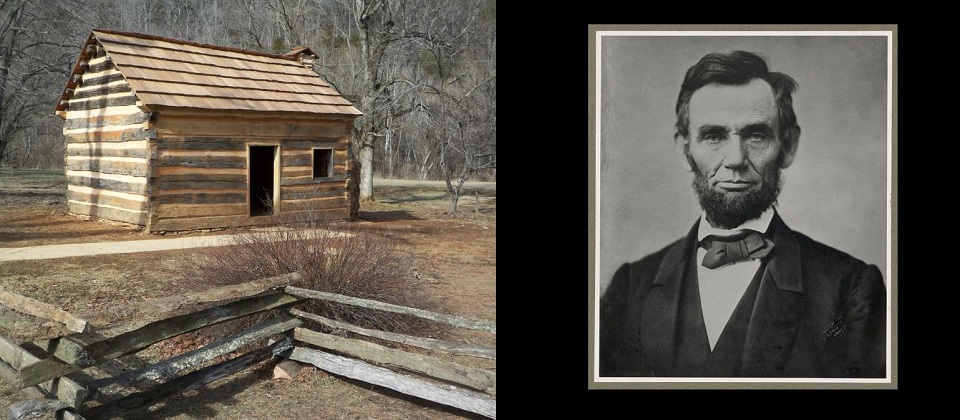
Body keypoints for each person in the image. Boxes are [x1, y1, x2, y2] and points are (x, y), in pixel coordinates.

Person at [599, 50, 886, 378]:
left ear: (788, 146)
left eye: (756, 135)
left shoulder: (850, 289)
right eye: (713, 136)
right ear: (684, 150)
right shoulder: (630, 288)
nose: (735, 159)